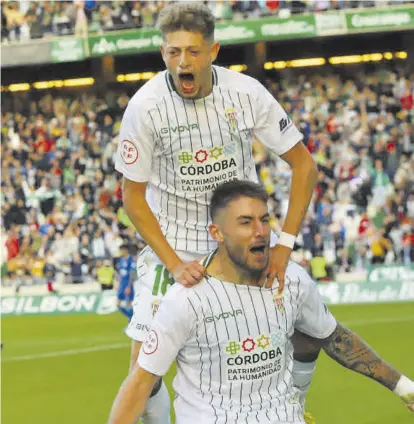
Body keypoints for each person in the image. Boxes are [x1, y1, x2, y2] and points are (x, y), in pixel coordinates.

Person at [115, 3, 318, 422]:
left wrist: (283, 246)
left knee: (301, 326)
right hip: (172, 244)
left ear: (213, 51)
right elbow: (132, 197)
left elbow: (304, 166)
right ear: (162, 53)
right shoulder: (145, 107)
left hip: (238, 241)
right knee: (143, 369)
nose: (182, 62)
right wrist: (173, 263)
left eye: (192, 51)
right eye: (173, 52)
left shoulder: (246, 93)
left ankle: (293, 407)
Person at [108, 180, 414, 424]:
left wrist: (404, 387)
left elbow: (333, 337)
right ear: (217, 232)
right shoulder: (185, 299)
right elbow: (141, 381)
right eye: (245, 222)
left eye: (264, 220)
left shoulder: (290, 279)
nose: (260, 232)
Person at [116, 245, 134, 321]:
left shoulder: (130, 260)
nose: (121, 252)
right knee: (118, 304)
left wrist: (129, 286)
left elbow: (131, 274)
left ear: (125, 250)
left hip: (128, 284)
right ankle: (130, 318)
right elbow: (120, 274)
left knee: (129, 304)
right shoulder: (120, 260)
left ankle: (130, 322)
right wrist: (119, 285)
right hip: (122, 285)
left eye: (122, 250)